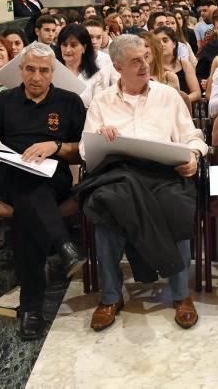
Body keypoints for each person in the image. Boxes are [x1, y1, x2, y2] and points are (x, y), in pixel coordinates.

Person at [0, 41, 87, 340]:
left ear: (53, 73)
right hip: (9, 172)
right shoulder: (5, 101)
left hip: (53, 174)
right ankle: (63, 247)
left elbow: (83, 150)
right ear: (21, 70)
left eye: (43, 71)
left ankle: (31, 308)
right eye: (30, 69)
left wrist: (55, 146)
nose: (36, 77)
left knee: (29, 209)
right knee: (26, 185)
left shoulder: (69, 102)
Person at [77, 34, 208, 332]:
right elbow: (86, 151)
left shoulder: (168, 96)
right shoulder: (102, 101)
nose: (144, 65)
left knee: (177, 206)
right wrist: (100, 135)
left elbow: (193, 137)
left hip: (162, 172)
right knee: (106, 208)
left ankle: (181, 294)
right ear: (118, 65)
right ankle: (111, 296)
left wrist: (193, 156)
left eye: (146, 58)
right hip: (119, 174)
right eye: (135, 61)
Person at [56, 23, 116, 107]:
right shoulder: (53, 72)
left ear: (84, 47)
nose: (68, 50)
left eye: (73, 45)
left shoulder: (96, 75)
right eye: (64, 45)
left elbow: (99, 107)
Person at [158, 26, 201, 102]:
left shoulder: (185, 64)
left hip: (184, 106)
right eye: (157, 42)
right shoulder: (152, 67)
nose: (161, 44)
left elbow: (196, 93)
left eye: (165, 41)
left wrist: (178, 102)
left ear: (174, 44)